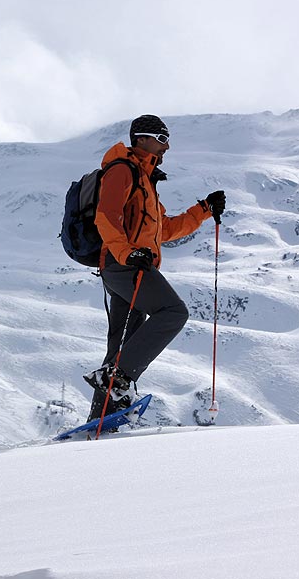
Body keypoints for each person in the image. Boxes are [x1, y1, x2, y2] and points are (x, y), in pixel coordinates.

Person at [83, 114, 225, 422]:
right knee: (174, 312)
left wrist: (203, 210)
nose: (167, 146)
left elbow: (165, 230)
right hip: (125, 265)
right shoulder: (122, 170)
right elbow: (106, 217)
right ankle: (120, 380)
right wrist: (127, 254)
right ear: (142, 139)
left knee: (120, 347)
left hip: (127, 263)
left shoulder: (145, 180)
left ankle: (101, 420)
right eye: (162, 139)